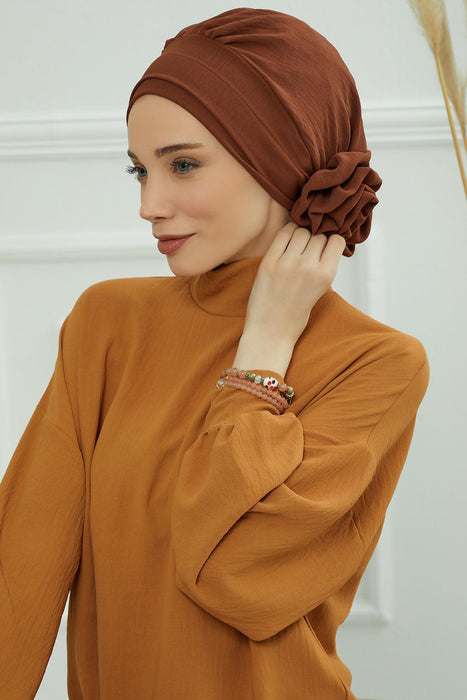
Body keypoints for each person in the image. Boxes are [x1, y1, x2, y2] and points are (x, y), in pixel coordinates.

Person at [0, 7, 429, 699]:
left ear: (279, 157)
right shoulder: (107, 323)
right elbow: (21, 562)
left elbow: (239, 578)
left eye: (183, 165)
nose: (149, 205)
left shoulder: (374, 362)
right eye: (139, 171)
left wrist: (265, 349)